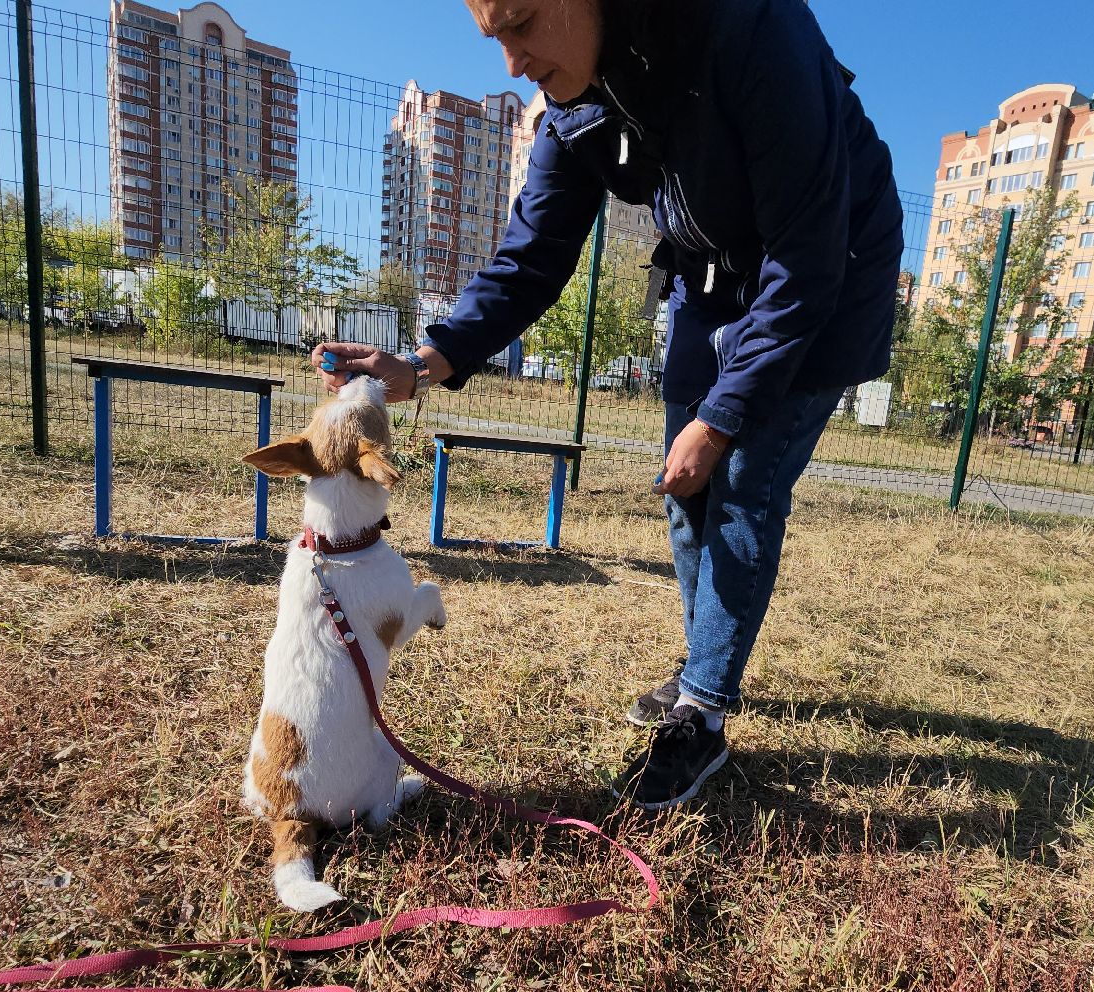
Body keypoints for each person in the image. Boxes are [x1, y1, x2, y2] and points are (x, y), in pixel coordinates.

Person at [316, 0, 903, 809]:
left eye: (521, 26)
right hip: (709, 277)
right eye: (496, 40)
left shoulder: (748, 27)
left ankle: (702, 710)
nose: (513, 64)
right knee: (684, 488)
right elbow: (532, 257)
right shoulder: (571, 107)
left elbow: (805, 259)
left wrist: (722, 415)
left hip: (827, 274)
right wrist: (425, 364)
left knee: (740, 490)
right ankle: (707, 666)